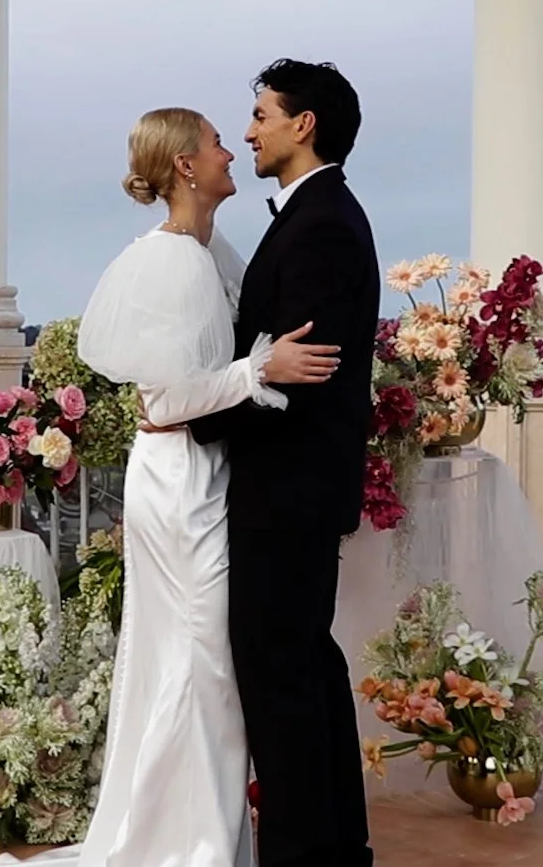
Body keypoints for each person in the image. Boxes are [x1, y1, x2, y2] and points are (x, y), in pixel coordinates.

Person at [0, 105, 339, 867]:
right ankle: (188, 850)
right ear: (185, 164)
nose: (231, 151)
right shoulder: (173, 259)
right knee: (205, 664)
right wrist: (259, 371)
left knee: (195, 659)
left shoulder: (214, 252)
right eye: (216, 143)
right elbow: (162, 400)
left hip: (206, 474)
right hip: (177, 479)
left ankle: (191, 836)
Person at [187, 59, 379, 867]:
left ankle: (305, 853)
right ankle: (336, 848)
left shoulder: (323, 222)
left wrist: (192, 413)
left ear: (305, 125)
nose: (250, 129)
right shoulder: (314, 214)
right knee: (307, 666)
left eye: (262, 112)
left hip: (287, 490)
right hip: (296, 487)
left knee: (282, 679)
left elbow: (299, 375)